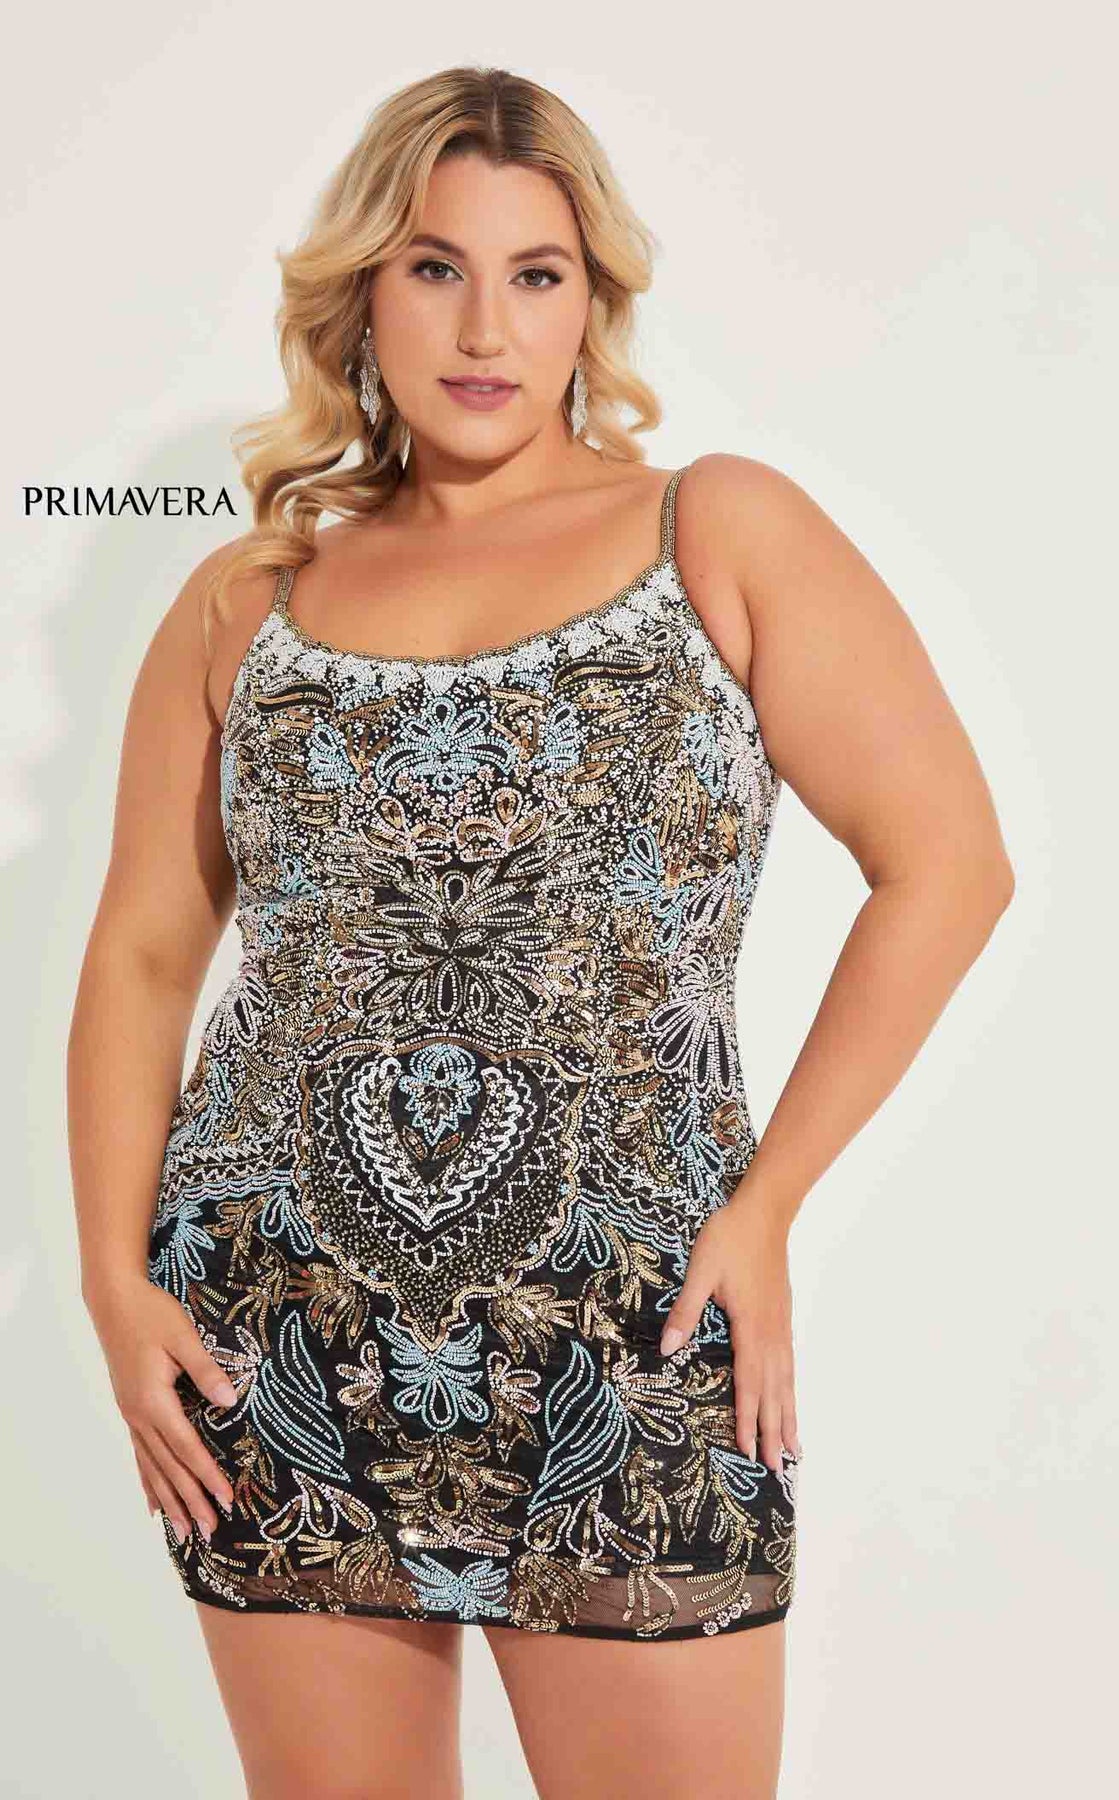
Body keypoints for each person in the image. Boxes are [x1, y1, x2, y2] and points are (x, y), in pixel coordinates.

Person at [67, 64, 1014, 1800]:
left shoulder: (714, 528)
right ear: (363, 292)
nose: (486, 325)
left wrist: (770, 1204)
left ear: (594, 301)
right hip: (275, 1344)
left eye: (537, 273)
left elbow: (949, 865)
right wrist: (111, 1283)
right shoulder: (247, 599)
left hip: (638, 1331)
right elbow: (141, 951)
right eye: (435, 268)